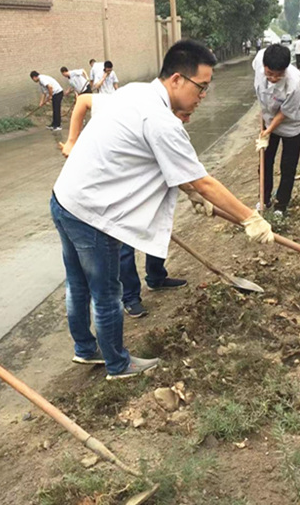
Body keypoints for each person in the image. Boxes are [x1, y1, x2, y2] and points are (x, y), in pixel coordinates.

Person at [51, 40, 276, 380]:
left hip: (65, 199)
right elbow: (204, 182)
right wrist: (250, 218)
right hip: (91, 214)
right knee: (107, 293)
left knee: (78, 283)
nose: (203, 96)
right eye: (201, 88)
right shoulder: (161, 120)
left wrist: (193, 194)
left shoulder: (133, 92)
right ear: (176, 79)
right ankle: (117, 365)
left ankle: (85, 350)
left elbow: (177, 175)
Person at [58, 94, 198, 319]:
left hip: (146, 189)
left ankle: (156, 277)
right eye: (183, 115)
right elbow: (83, 100)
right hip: (116, 192)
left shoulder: (166, 126)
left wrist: (193, 193)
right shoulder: (129, 106)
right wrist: (72, 140)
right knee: (123, 245)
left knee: (159, 226)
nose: (186, 121)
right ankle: (131, 297)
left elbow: (176, 168)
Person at [252, 44, 300, 216]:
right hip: (269, 117)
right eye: (269, 74)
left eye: (279, 75)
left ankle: (281, 205)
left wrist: (268, 130)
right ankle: (264, 198)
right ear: (264, 66)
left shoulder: (294, 82)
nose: (273, 78)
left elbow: (285, 113)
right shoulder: (259, 60)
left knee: (287, 165)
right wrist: (265, 124)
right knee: (265, 160)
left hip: (292, 122)